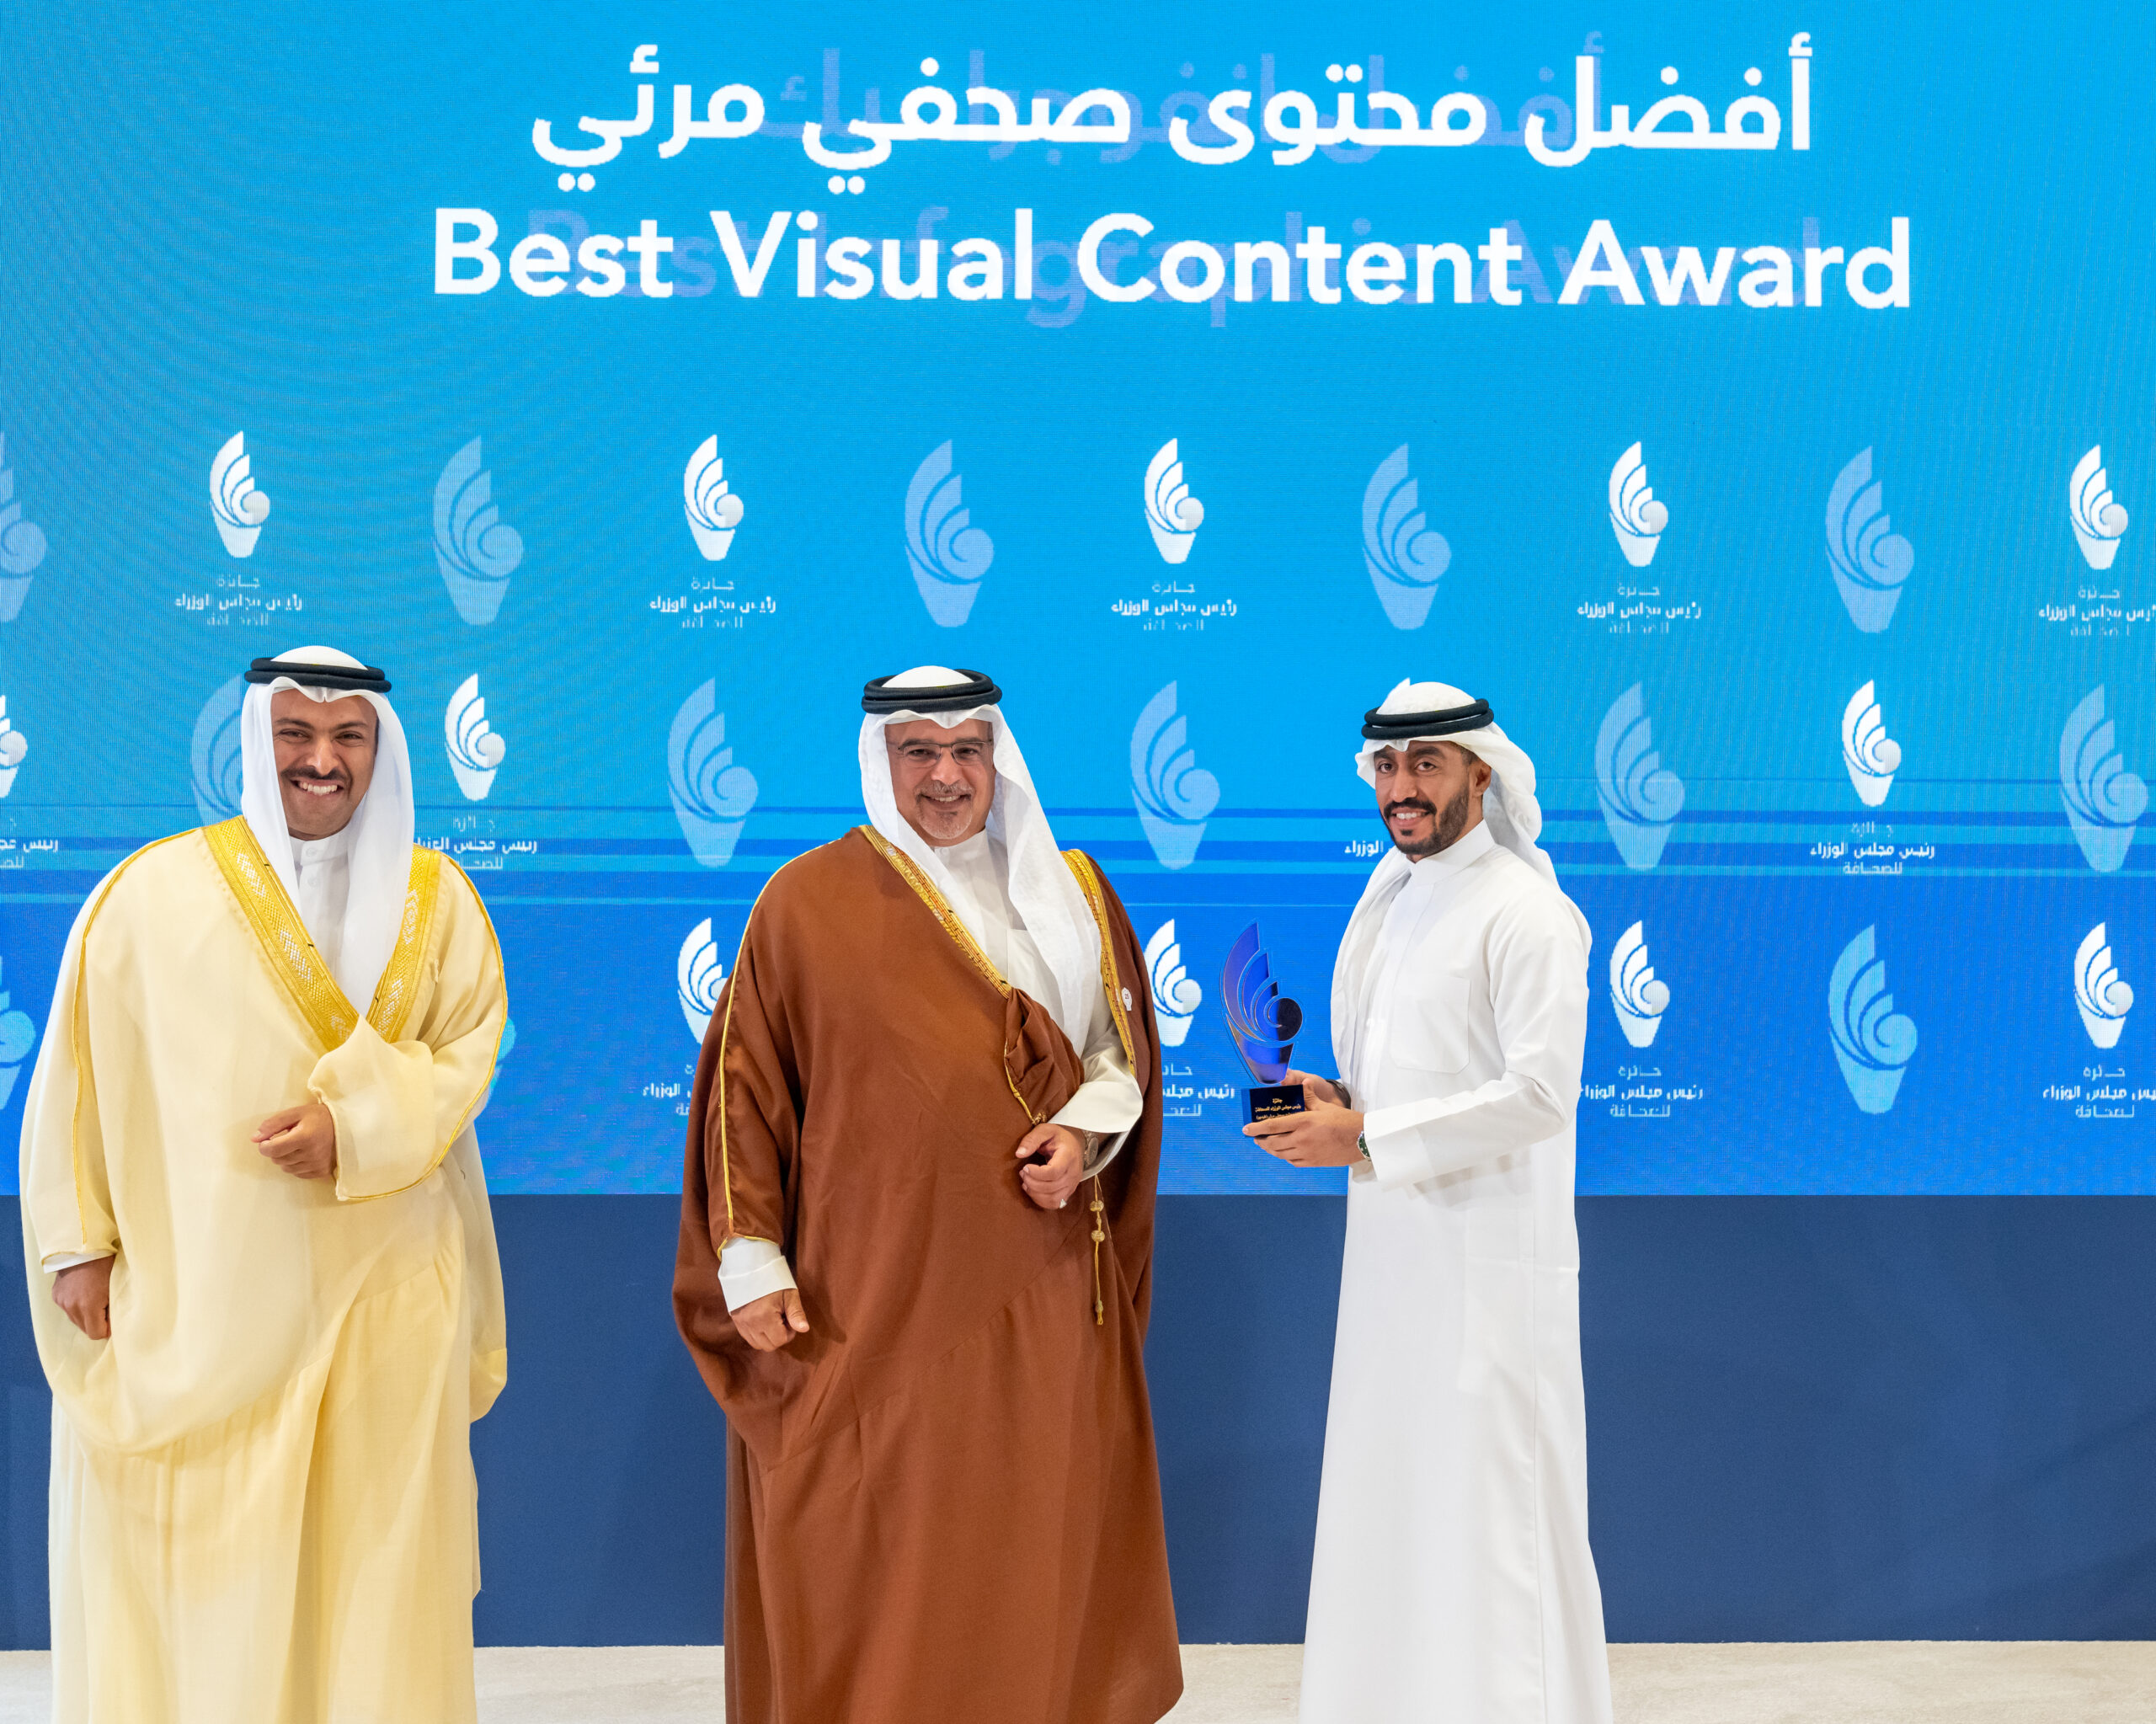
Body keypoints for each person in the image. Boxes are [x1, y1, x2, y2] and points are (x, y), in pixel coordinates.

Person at [674, 665, 1182, 1724]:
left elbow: (1118, 1053)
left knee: (1029, 1539)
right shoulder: (805, 903)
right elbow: (742, 1094)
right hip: (871, 1299)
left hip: (1041, 1293)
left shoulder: (1074, 894)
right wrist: (750, 1258)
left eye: (966, 751)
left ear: (997, 760)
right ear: (881, 760)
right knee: (880, 1548)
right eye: (919, 752)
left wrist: (1084, 1133)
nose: (945, 776)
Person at [19, 646, 509, 1724]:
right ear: (256, 740)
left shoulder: (439, 902)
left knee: (374, 1576)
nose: (321, 759)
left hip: (385, 1304)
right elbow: (77, 1075)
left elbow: (467, 1055)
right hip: (206, 1302)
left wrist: (356, 1124)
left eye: (347, 736)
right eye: (296, 733)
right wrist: (76, 1242)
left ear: (380, 749)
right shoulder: (148, 896)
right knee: (210, 1580)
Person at [1244, 679, 1610, 1724]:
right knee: (1395, 1510)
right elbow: (1410, 1077)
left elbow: (1540, 1095)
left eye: (1427, 764)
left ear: (1480, 774)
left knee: (1493, 1529)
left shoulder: (1524, 911)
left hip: (1488, 1280)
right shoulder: (1391, 899)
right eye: (1388, 766)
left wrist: (1365, 1136)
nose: (1402, 786)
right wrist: (1336, 1101)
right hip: (1391, 1268)